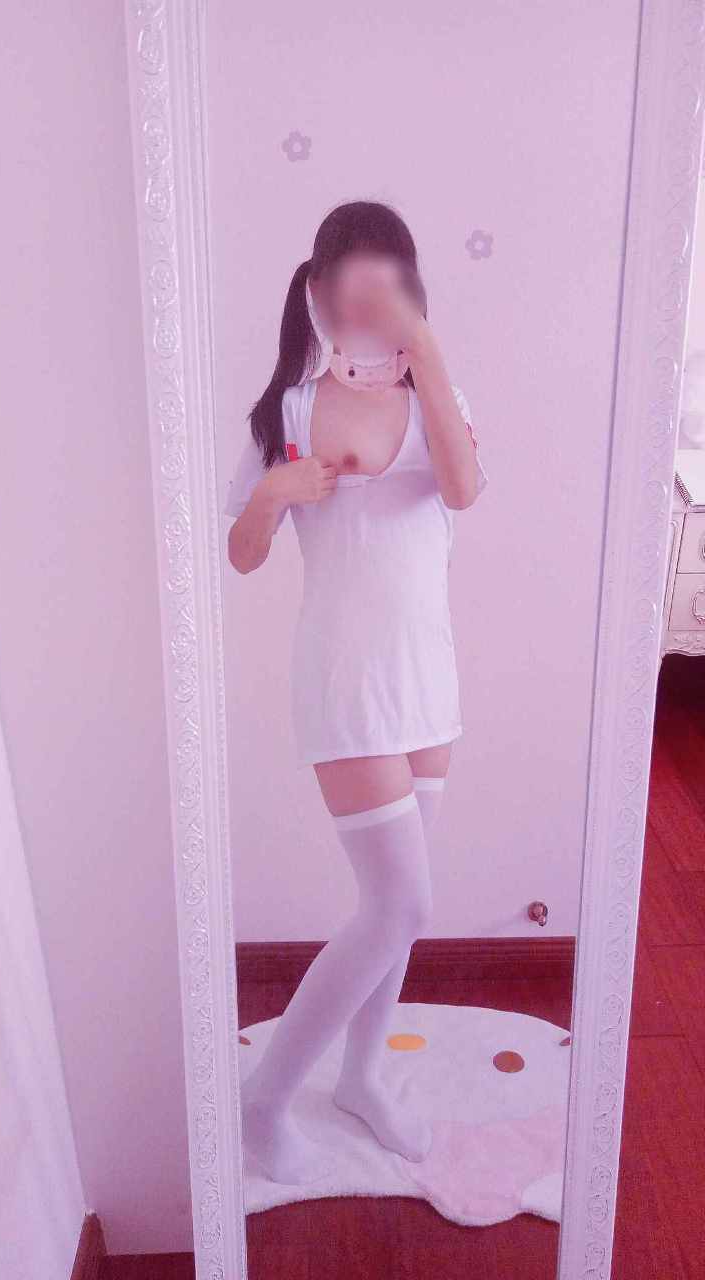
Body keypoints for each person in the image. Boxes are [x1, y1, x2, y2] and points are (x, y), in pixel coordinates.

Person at [224, 200, 487, 1184]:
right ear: (322, 296)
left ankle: (362, 1077)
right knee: (398, 900)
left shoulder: (439, 400)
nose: (369, 310)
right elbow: (242, 554)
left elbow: (462, 489)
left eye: (389, 291)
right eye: (353, 291)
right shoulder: (287, 413)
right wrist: (270, 495)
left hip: (427, 675)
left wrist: (431, 357)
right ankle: (265, 1100)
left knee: (401, 911)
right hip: (344, 679)